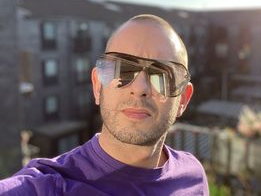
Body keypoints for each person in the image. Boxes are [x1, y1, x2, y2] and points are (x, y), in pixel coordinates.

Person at [0, 14, 209, 195]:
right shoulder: (49, 186)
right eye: (122, 70)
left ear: (183, 99)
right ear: (97, 86)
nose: (140, 87)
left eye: (161, 75)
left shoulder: (193, 176)